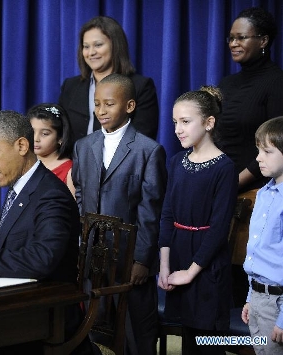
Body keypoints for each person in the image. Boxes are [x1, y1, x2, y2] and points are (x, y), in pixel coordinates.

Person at [0, 110, 95, 355]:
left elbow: (42, 258)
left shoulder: (51, 195)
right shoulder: (20, 188)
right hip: (16, 308)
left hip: (45, 320)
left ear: (22, 145)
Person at [72, 73, 167, 355]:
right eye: (97, 103)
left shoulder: (148, 151)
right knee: (94, 327)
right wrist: (81, 244)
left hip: (128, 258)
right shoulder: (83, 146)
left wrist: (142, 259)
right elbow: (81, 196)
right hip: (93, 256)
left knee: (135, 331)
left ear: (129, 106)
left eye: (109, 104)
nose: (101, 111)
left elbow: (151, 211)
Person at [158, 86, 238, 355]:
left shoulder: (224, 167)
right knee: (186, 338)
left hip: (206, 264)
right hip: (179, 254)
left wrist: (191, 272)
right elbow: (167, 215)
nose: (178, 129)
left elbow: (218, 229)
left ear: (209, 122)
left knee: (207, 341)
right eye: (175, 123)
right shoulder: (177, 161)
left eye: (185, 121)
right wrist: (165, 266)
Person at [59, 16, 159, 142]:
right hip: (75, 161)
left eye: (98, 45)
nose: (91, 52)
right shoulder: (70, 86)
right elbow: (60, 133)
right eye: (86, 46)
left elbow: (143, 139)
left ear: (116, 46)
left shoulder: (141, 86)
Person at [218, 7, 283, 192]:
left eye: (241, 37)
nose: (233, 43)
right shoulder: (226, 83)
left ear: (263, 41)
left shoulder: (277, 82)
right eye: (231, 38)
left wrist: (234, 184)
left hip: (256, 191)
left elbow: (276, 145)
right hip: (221, 185)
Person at [242, 116, 283, 355]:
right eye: (259, 150)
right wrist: (250, 297)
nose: (258, 158)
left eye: (267, 151)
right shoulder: (264, 193)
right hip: (258, 297)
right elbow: (258, 253)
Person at [26, 103, 75, 196]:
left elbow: (72, 209)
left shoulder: (70, 172)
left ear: (61, 137)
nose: (36, 139)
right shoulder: (25, 165)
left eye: (44, 134)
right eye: (32, 132)